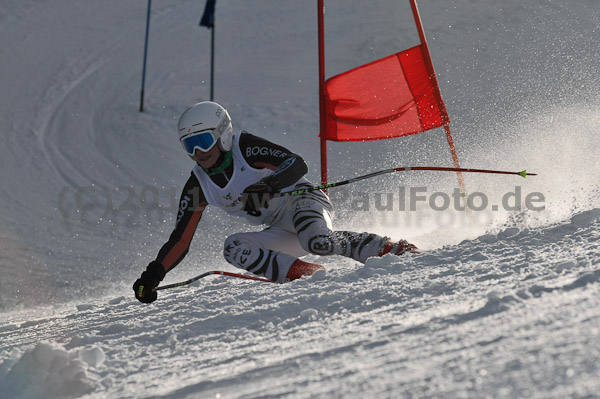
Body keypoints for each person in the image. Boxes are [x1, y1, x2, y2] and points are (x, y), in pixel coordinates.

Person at [133, 101, 416, 303]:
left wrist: (267, 185)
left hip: (304, 201)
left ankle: (391, 248)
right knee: (234, 248)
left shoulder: (245, 148)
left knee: (317, 242)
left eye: (204, 140)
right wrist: (153, 275)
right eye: (189, 145)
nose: (198, 152)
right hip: (279, 227)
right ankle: (313, 278)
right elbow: (180, 241)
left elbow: (296, 164)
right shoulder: (200, 184)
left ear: (222, 134)